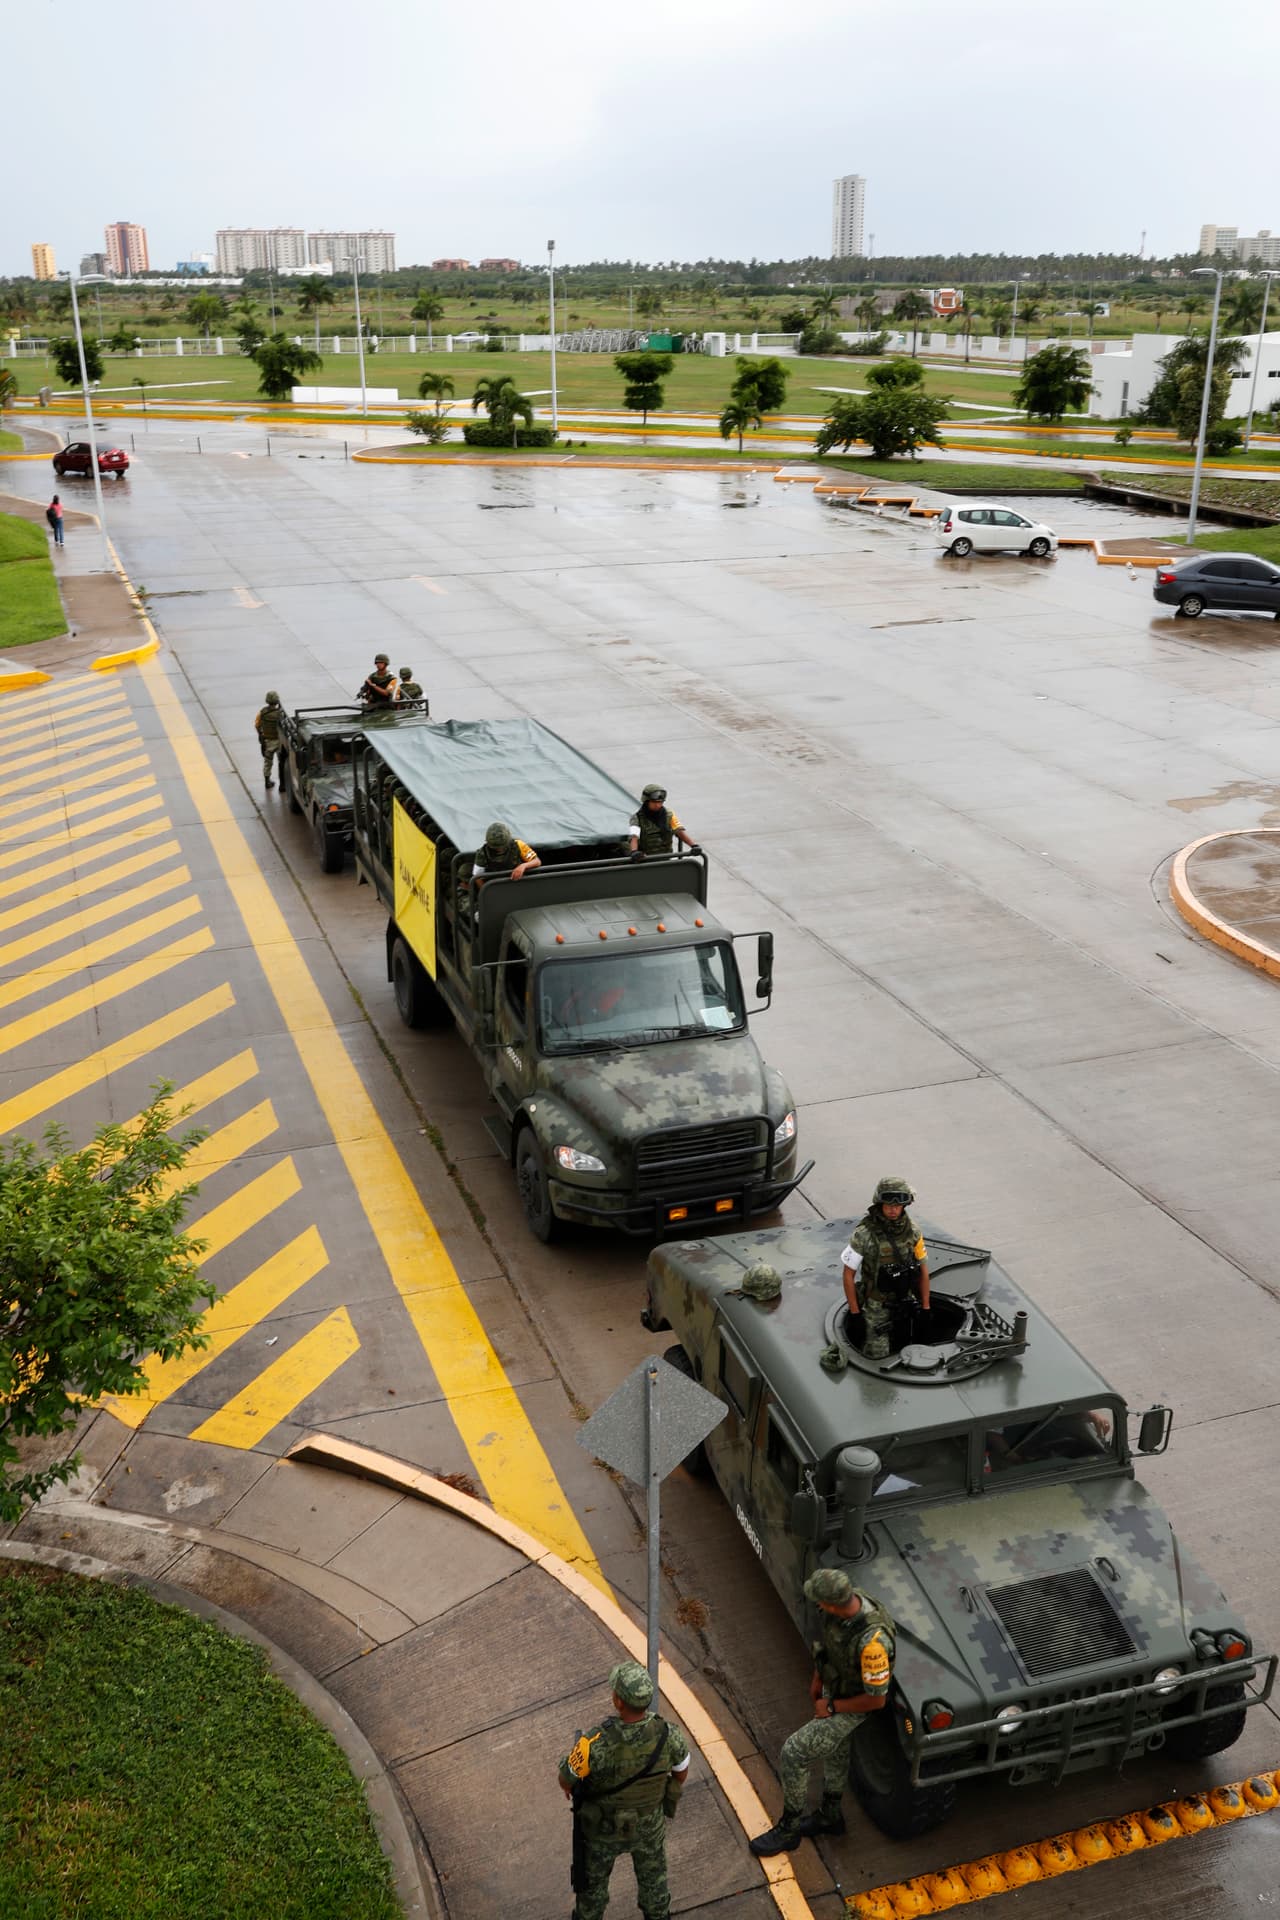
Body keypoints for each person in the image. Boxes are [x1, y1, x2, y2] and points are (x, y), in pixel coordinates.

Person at [750, 1569, 895, 1855]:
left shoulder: (873, 1644)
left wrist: (832, 1707)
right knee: (836, 1752)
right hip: (836, 1686)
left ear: (832, 1603)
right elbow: (830, 1644)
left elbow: (876, 1701)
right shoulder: (847, 1607)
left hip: (854, 1703)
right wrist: (819, 1678)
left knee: (794, 1753)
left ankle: (788, 1831)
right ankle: (830, 1816)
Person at [559, 1659, 690, 1920]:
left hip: (602, 1830)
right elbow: (680, 1772)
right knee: (654, 1880)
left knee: (593, 1888)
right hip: (648, 1825)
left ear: (618, 1701)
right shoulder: (668, 1734)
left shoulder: (594, 1744)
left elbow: (566, 1779)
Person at [841, 1175, 931, 1361]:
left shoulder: (912, 1231)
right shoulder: (864, 1234)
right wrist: (855, 1312)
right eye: (889, 1205)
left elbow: (922, 1269)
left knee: (908, 1350)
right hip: (877, 1306)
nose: (893, 1210)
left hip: (905, 1301)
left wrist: (926, 1306)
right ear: (880, 1203)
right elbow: (848, 1275)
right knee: (876, 1355)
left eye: (898, 1206)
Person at [628, 785, 699, 860]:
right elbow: (634, 837)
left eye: (660, 802)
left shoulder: (669, 815)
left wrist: (694, 846)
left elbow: (679, 831)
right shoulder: (637, 818)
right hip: (647, 860)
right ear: (646, 801)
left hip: (666, 859)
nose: (657, 805)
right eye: (654, 802)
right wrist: (634, 851)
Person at [472, 820, 540, 885]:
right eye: (495, 847)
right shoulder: (482, 853)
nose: (499, 849)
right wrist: (486, 894)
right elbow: (477, 877)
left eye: (502, 846)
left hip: (519, 883)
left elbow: (537, 861)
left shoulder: (518, 845)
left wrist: (523, 866)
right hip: (496, 886)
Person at [253, 691, 286, 789]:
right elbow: (284, 727)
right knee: (282, 762)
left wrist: (261, 736)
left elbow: (257, 725)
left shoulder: (262, 712)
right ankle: (282, 785)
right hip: (279, 741)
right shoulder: (279, 713)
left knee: (268, 762)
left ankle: (267, 781)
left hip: (268, 741)